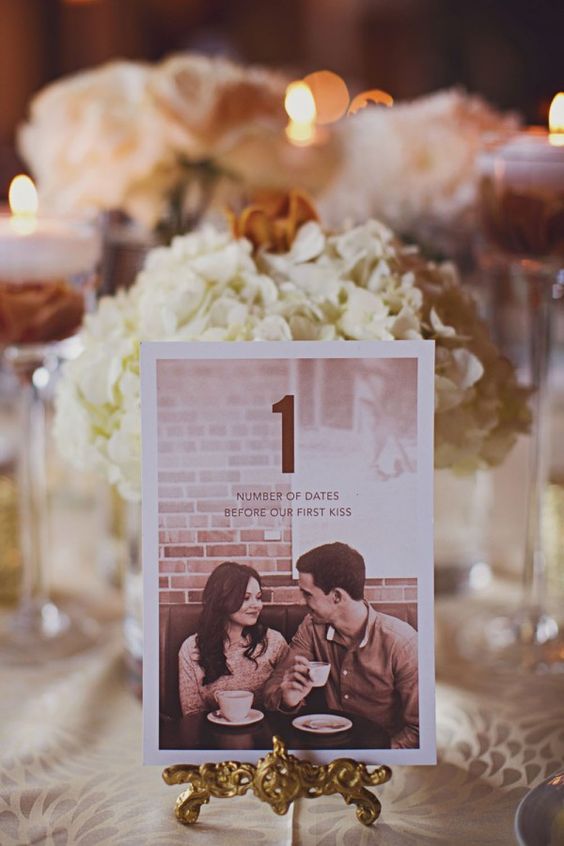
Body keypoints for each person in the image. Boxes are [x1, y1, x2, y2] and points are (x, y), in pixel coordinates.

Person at [263, 542, 419, 748]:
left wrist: (375, 758)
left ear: (337, 596)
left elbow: (419, 730)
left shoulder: (402, 643)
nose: (302, 602)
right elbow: (271, 689)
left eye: (308, 594)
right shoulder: (311, 627)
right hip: (324, 749)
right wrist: (287, 699)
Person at [178, 561, 288, 715]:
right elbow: (192, 713)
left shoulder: (274, 641)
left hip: (265, 733)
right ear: (222, 600)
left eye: (258, 597)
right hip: (213, 735)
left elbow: (288, 702)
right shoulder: (191, 648)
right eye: (246, 598)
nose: (257, 605)